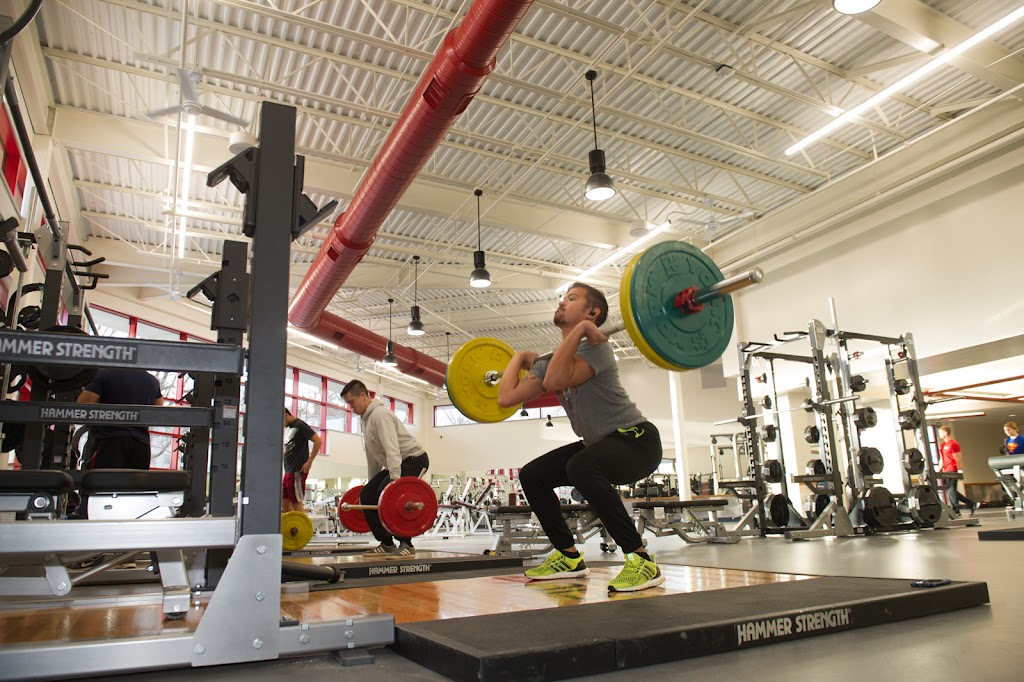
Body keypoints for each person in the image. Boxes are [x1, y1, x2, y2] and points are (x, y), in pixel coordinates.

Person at [497, 283, 665, 593]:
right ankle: (568, 556)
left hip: (636, 440)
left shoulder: (596, 347)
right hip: (599, 444)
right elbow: (505, 398)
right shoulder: (552, 361)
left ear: (592, 312)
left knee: (580, 466)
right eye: (563, 297)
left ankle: (641, 560)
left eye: (571, 299)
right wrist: (519, 356)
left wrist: (584, 330)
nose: (562, 302)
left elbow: (556, 379)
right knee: (533, 475)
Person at [342, 379, 430, 558]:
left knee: (387, 497)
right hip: (397, 461)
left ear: (363, 396)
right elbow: (372, 454)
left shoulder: (379, 415)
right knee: (367, 495)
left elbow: (392, 449)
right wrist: (372, 482)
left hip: (414, 459)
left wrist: (394, 483)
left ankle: (407, 544)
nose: (351, 407)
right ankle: (387, 543)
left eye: (351, 402)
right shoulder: (365, 420)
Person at [76, 368, 164, 469]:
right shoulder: (152, 381)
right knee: (135, 484)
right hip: (140, 446)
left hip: (110, 441)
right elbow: (158, 412)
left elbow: (82, 405)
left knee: (100, 482)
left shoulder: (106, 374)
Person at [283, 407, 322, 513]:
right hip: (288, 470)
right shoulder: (290, 428)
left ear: (286, 415)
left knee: (296, 502)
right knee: (284, 503)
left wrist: (309, 462)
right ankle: (290, 527)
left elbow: (318, 441)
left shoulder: (300, 425)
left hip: (297, 470)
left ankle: (304, 529)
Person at [937, 425, 975, 516]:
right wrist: (938, 471)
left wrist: (960, 470)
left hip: (953, 470)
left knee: (951, 491)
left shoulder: (953, 444)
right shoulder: (942, 445)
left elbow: (958, 458)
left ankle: (956, 510)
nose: (939, 434)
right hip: (946, 470)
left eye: (940, 433)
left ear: (945, 433)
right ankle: (971, 504)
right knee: (951, 491)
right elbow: (942, 459)